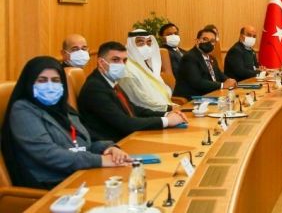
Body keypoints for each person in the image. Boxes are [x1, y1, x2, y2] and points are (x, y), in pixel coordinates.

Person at [1, 56, 130, 188]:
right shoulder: (22, 110)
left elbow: (82, 144)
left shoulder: (62, 108)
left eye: (56, 80)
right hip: (52, 185)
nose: (50, 86)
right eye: (42, 80)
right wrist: (100, 160)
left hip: (78, 175)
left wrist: (108, 148)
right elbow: (49, 155)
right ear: (29, 83)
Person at [78, 41, 187, 142]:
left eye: (124, 60)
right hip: (114, 144)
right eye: (115, 60)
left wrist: (166, 114)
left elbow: (132, 109)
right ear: (101, 63)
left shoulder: (110, 81)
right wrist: (166, 121)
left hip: (129, 136)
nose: (121, 64)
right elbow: (125, 123)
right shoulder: (95, 88)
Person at [120, 29, 174, 112]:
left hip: (165, 108)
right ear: (131, 45)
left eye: (149, 43)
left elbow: (163, 91)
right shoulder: (128, 70)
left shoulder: (146, 66)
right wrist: (169, 108)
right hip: (150, 114)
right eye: (141, 43)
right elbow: (141, 101)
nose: (146, 47)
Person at [173, 28, 236, 98]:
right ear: (197, 41)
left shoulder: (212, 58)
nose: (208, 43)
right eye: (205, 39)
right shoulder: (190, 57)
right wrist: (222, 85)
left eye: (212, 41)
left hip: (210, 95)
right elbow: (197, 82)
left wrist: (230, 81)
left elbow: (219, 75)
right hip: (191, 98)